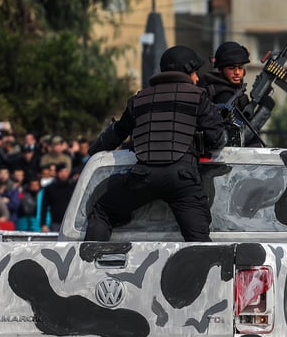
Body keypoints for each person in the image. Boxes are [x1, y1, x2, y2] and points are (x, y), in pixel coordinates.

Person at [85, 46, 227, 242]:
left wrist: (91, 152)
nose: (196, 78)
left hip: (143, 177)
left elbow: (116, 133)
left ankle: (89, 266)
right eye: (194, 73)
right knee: (199, 242)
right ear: (185, 71)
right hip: (182, 179)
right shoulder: (198, 96)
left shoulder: (138, 99)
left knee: (102, 211)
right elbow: (217, 139)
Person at [200, 40, 273, 147]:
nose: (237, 72)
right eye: (231, 68)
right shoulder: (223, 95)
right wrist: (264, 111)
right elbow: (239, 137)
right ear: (221, 69)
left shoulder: (233, 90)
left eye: (240, 67)